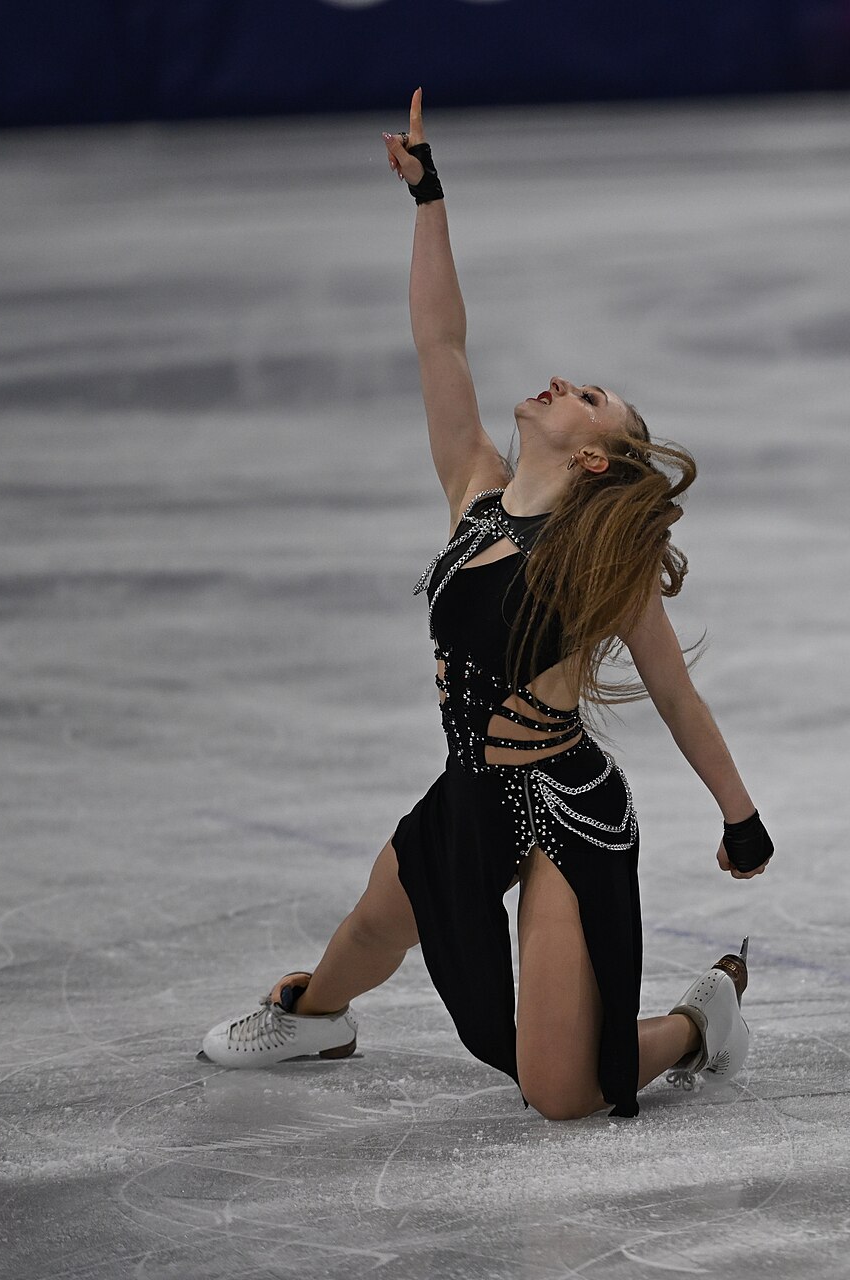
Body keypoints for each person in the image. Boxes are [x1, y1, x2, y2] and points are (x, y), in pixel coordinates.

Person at [199, 90, 774, 1120]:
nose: (562, 382)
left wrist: (743, 818)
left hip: (561, 808)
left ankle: (702, 1017)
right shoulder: (475, 488)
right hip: (471, 789)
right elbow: (441, 346)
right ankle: (315, 1014)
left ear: (594, 454)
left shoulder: (603, 560)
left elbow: (677, 697)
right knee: (379, 921)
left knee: (559, 1089)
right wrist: (429, 198)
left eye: (587, 394)